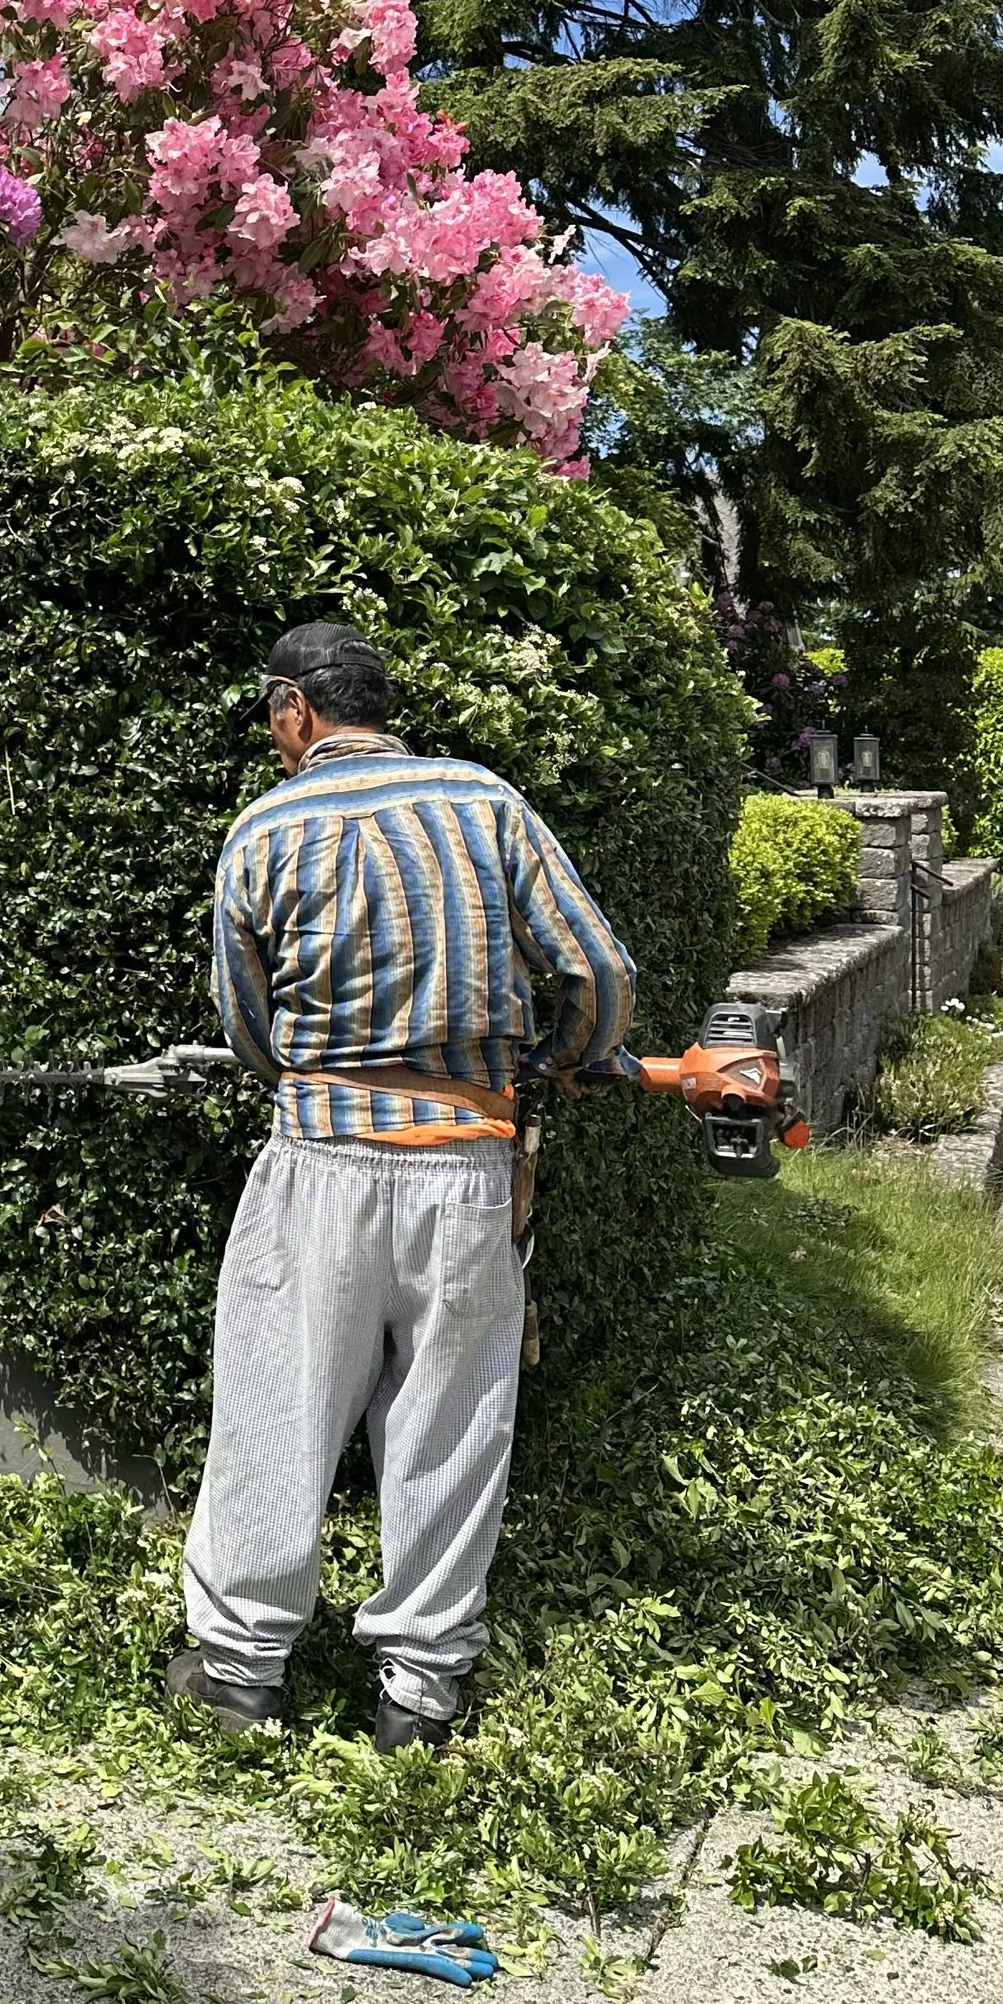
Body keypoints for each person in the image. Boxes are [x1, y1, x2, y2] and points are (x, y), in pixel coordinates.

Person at [168, 620, 635, 1753]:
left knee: (277, 1408)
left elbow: (247, 1024)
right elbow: (598, 970)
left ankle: (239, 1671)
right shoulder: (485, 802)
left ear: (295, 709)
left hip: (319, 1162)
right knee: (449, 1424)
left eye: (271, 717)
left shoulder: (263, 829)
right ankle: (420, 1694)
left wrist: (311, 1077)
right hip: (467, 1166)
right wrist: (563, 1057)